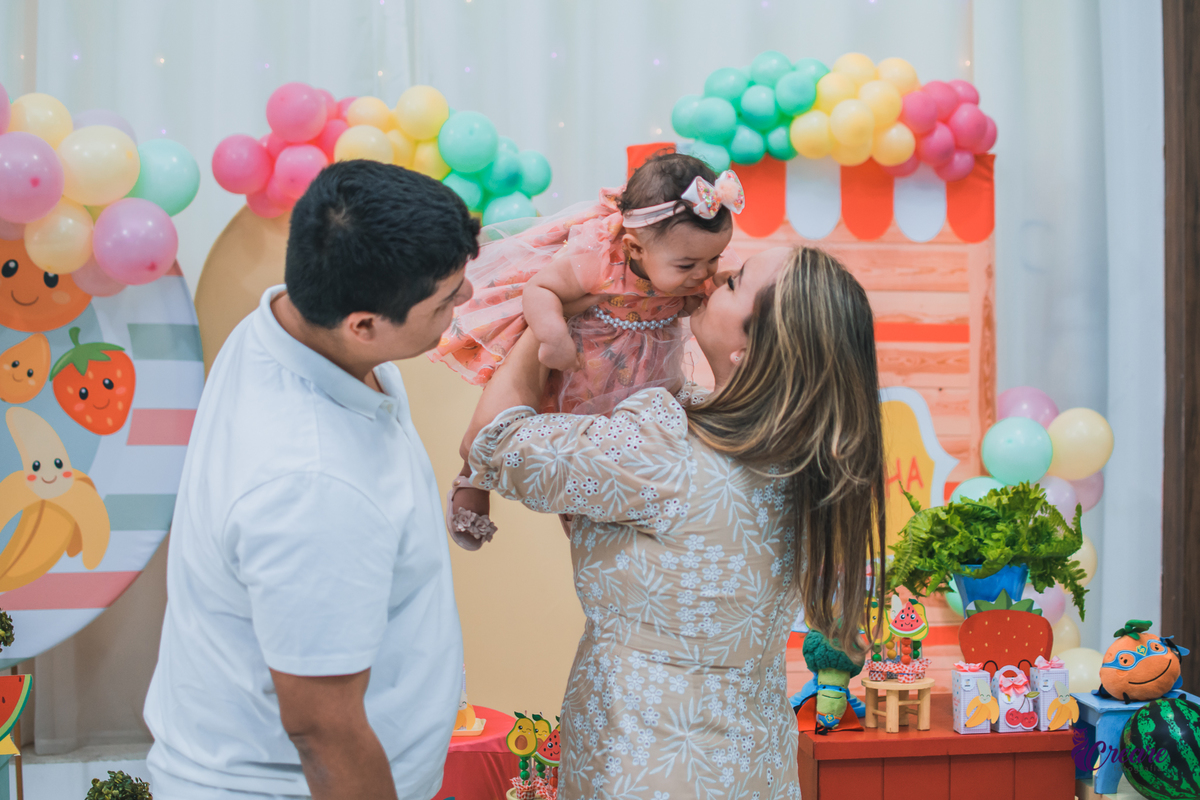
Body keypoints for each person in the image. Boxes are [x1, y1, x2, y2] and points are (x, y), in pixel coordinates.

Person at [460, 246, 887, 799]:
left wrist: (550, 309)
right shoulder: (809, 467)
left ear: (748, 348)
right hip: (754, 767)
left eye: (733, 284)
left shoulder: (664, 449)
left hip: (644, 764)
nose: (712, 281)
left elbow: (492, 443)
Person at [143, 160, 479, 800]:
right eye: (445, 300)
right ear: (363, 325)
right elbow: (322, 730)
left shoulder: (283, 321)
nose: (464, 303)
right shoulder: (312, 486)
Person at [431, 152, 744, 549]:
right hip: (583, 360)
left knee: (611, 466)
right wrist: (554, 337)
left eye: (713, 258)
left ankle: (591, 536)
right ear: (634, 249)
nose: (703, 273)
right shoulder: (599, 256)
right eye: (687, 266)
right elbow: (540, 289)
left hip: (647, 375)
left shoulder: (697, 259)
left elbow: (717, 291)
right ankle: (472, 477)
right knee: (507, 414)